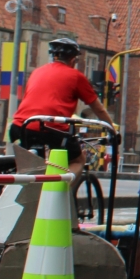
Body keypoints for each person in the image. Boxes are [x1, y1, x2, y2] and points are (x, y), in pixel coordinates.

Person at [10, 38, 114, 177]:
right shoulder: (76, 76)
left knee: (31, 167)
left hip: (20, 127)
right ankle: (55, 194)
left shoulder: (37, 72)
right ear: (73, 60)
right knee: (78, 160)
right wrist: (112, 130)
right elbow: (98, 109)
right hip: (50, 129)